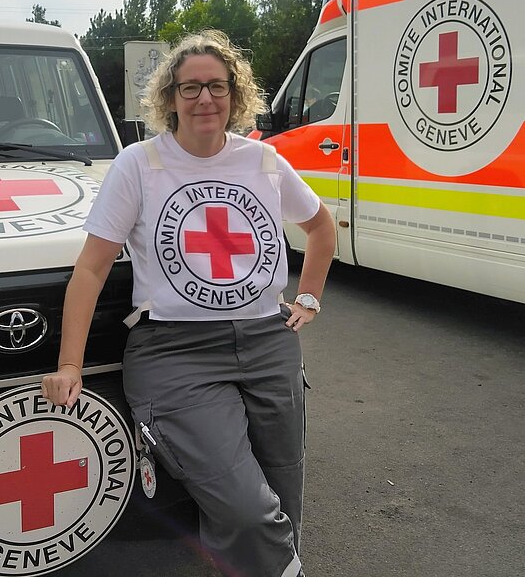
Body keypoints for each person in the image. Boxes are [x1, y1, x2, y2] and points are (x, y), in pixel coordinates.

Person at [42, 29, 335, 577]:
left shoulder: (264, 162)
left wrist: (310, 297)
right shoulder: (139, 164)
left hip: (268, 342)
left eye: (217, 87)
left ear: (235, 94)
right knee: (246, 508)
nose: (205, 99)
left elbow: (321, 227)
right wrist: (69, 365)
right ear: (170, 97)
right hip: (176, 354)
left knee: (282, 492)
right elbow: (92, 267)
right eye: (191, 87)